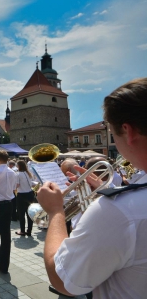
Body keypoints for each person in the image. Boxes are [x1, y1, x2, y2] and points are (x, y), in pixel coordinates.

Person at [37, 78, 147, 298]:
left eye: (110, 130)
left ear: (128, 131)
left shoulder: (119, 211)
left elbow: (62, 280)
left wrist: (56, 212)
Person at [15, 160, 36, 236]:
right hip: (30, 194)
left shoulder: (18, 174)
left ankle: (22, 231)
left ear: (19, 166)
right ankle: (29, 231)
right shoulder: (28, 173)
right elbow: (31, 184)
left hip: (21, 195)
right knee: (29, 214)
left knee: (21, 214)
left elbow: (17, 185)